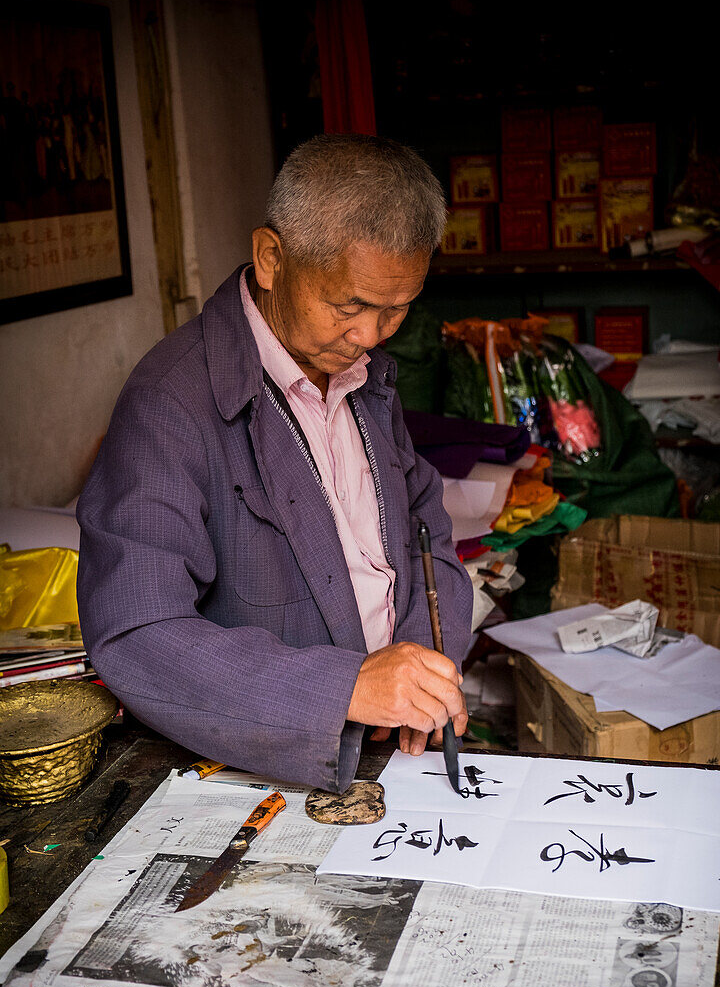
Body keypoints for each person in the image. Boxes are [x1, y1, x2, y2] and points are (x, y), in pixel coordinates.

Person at [77, 134, 473, 792]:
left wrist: (421, 659)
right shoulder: (171, 404)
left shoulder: (359, 373)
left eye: (396, 309)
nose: (370, 337)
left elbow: (422, 518)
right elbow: (136, 631)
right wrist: (345, 687)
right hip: (272, 770)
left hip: (396, 758)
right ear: (270, 258)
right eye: (349, 306)